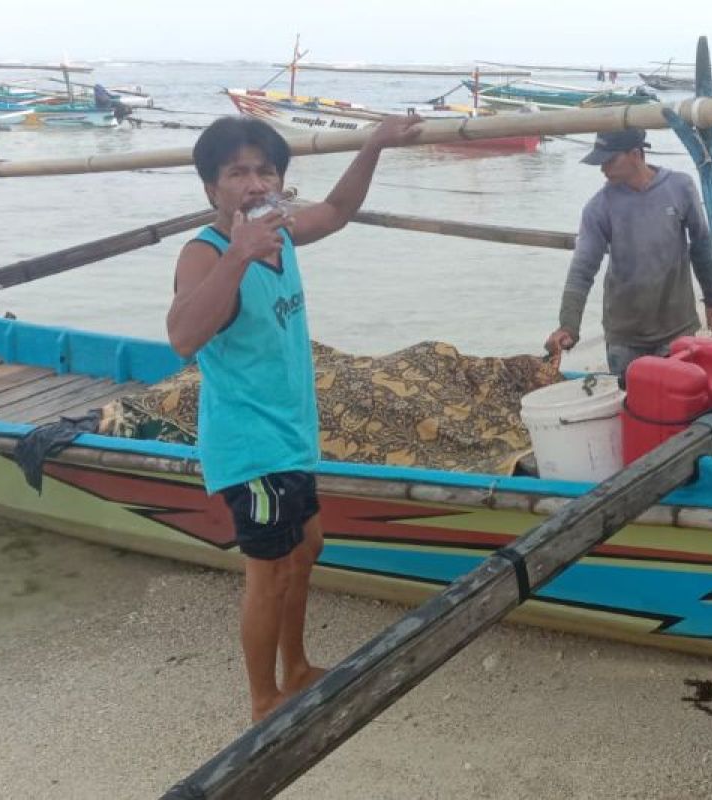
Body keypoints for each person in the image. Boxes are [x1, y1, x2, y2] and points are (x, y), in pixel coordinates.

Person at [166, 114, 420, 722]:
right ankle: (262, 703)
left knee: (306, 549)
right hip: (250, 447)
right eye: (237, 173)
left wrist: (374, 144)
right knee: (270, 572)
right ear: (212, 189)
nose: (254, 184)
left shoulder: (281, 231)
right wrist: (238, 255)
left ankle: (297, 668)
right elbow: (182, 337)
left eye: (265, 170)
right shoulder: (205, 253)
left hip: (292, 435)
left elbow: (335, 210)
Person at [544, 128, 712, 381]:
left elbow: (701, 243)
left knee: (680, 403)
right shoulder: (599, 207)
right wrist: (569, 324)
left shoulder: (680, 187)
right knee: (631, 408)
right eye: (600, 162)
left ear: (636, 154)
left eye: (609, 160)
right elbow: (582, 269)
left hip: (678, 329)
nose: (603, 168)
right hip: (625, 337)